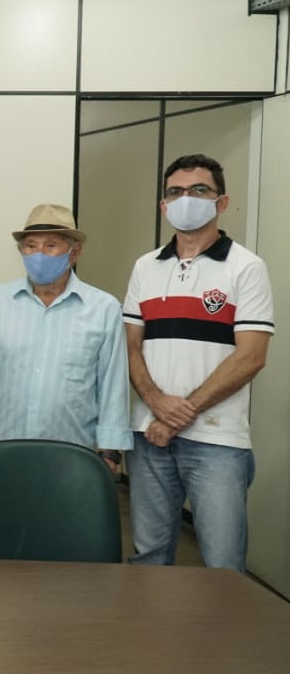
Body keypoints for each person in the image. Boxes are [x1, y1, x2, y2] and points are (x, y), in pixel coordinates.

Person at [124, 154, 273, 572]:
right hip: (148, 435)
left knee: (223, 565)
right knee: (150, 559)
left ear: (221, 202)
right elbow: (131, 346)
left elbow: (251, 356)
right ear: (164, 205)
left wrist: (177, 415)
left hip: (217, 441)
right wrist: (156, 402)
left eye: (199, 190)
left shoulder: (246, 267)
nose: (185, 199)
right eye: (175, 192)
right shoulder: (145, 266)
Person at [0, 204, 131, 472]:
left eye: (51, 245)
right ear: (21, 251)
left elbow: (112, 384)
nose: (39, 254)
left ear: (74, 252)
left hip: (71, 456)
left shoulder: (103, 308)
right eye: (31, 246)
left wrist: (111, 452)